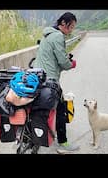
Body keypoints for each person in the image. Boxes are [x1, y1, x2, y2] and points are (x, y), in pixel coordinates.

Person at [33, 12, 79, 154]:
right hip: (50, 79)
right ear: (64, 24)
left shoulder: (47, 35)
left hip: (36, 76)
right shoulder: (58, 36)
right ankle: (63, 143)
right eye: (71, 27)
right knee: (61, 109)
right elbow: (63, 62)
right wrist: (71, 64)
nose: (71, 30)